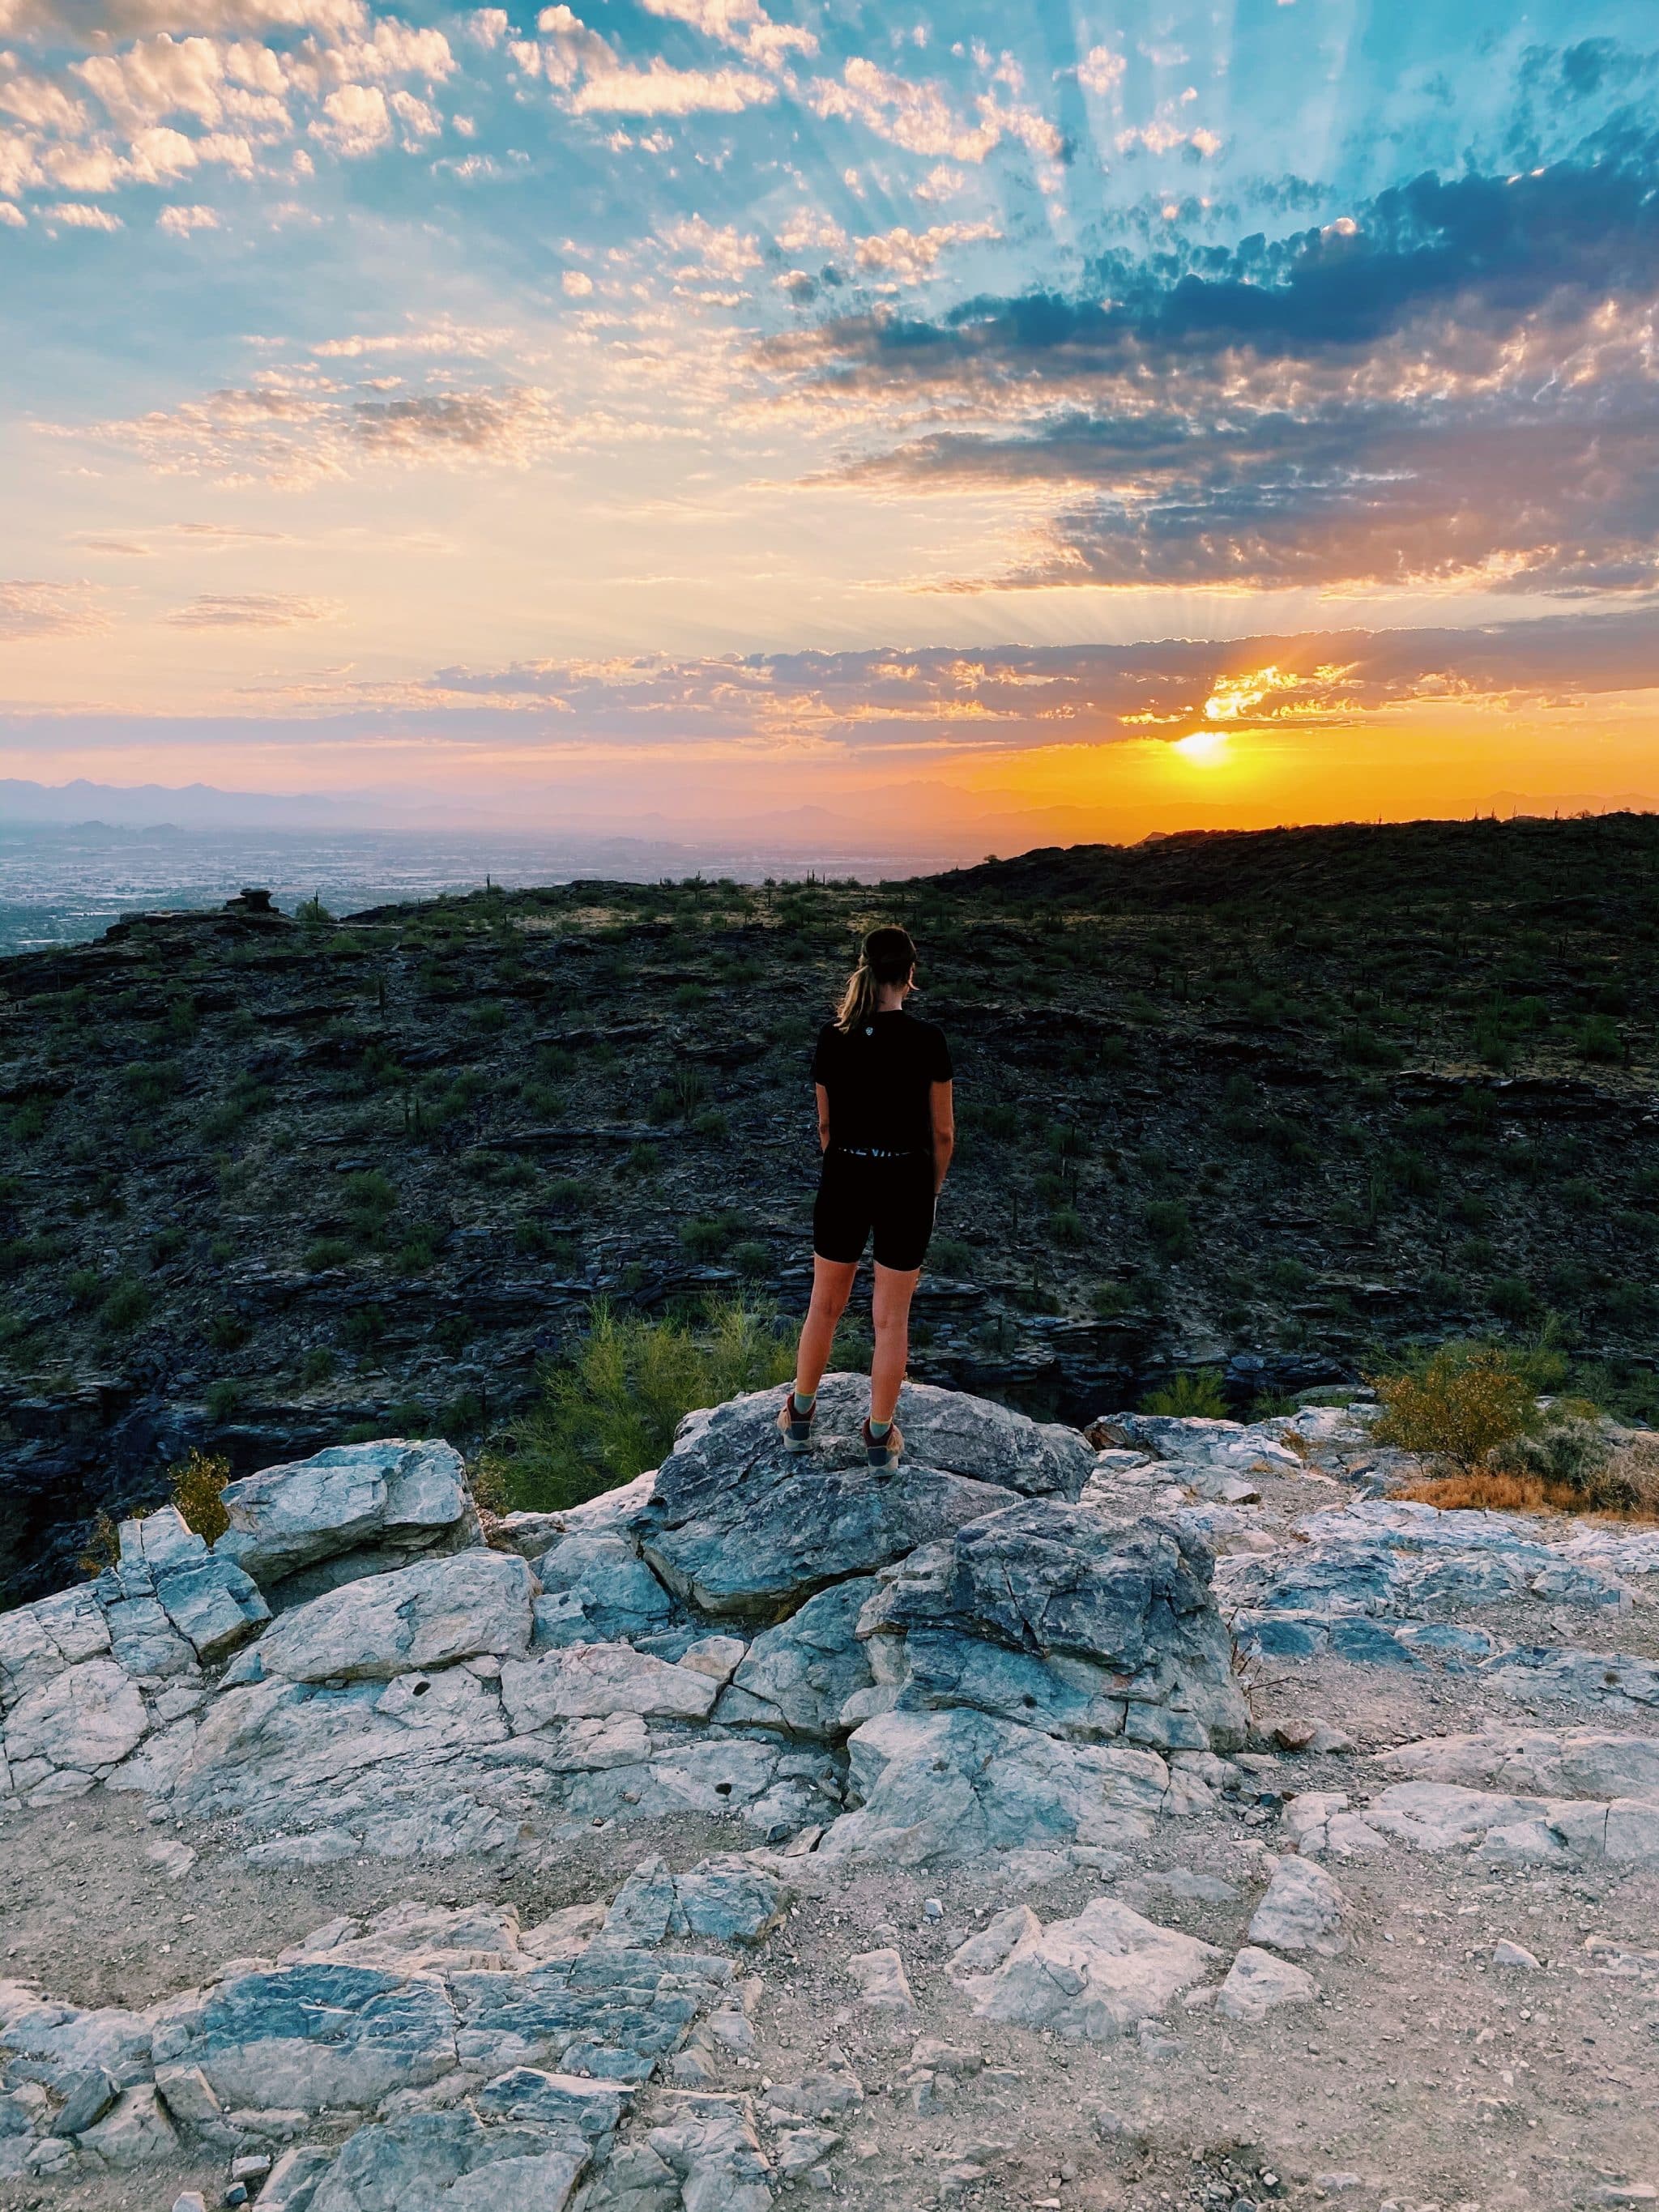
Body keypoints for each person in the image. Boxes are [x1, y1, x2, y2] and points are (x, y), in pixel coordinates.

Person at [777, 925, 954, 1468]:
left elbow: (825, 1126)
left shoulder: (833, 1039)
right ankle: (879, 1436)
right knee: (890, 1318)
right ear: (910, 973)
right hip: (905, 1181)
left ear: (865, 969)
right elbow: (943, 1134)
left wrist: (845, 1166)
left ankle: (799, 1416)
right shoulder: (929, 1041)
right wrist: (930, 1189)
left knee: (824, 1305)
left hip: (846, 1176)